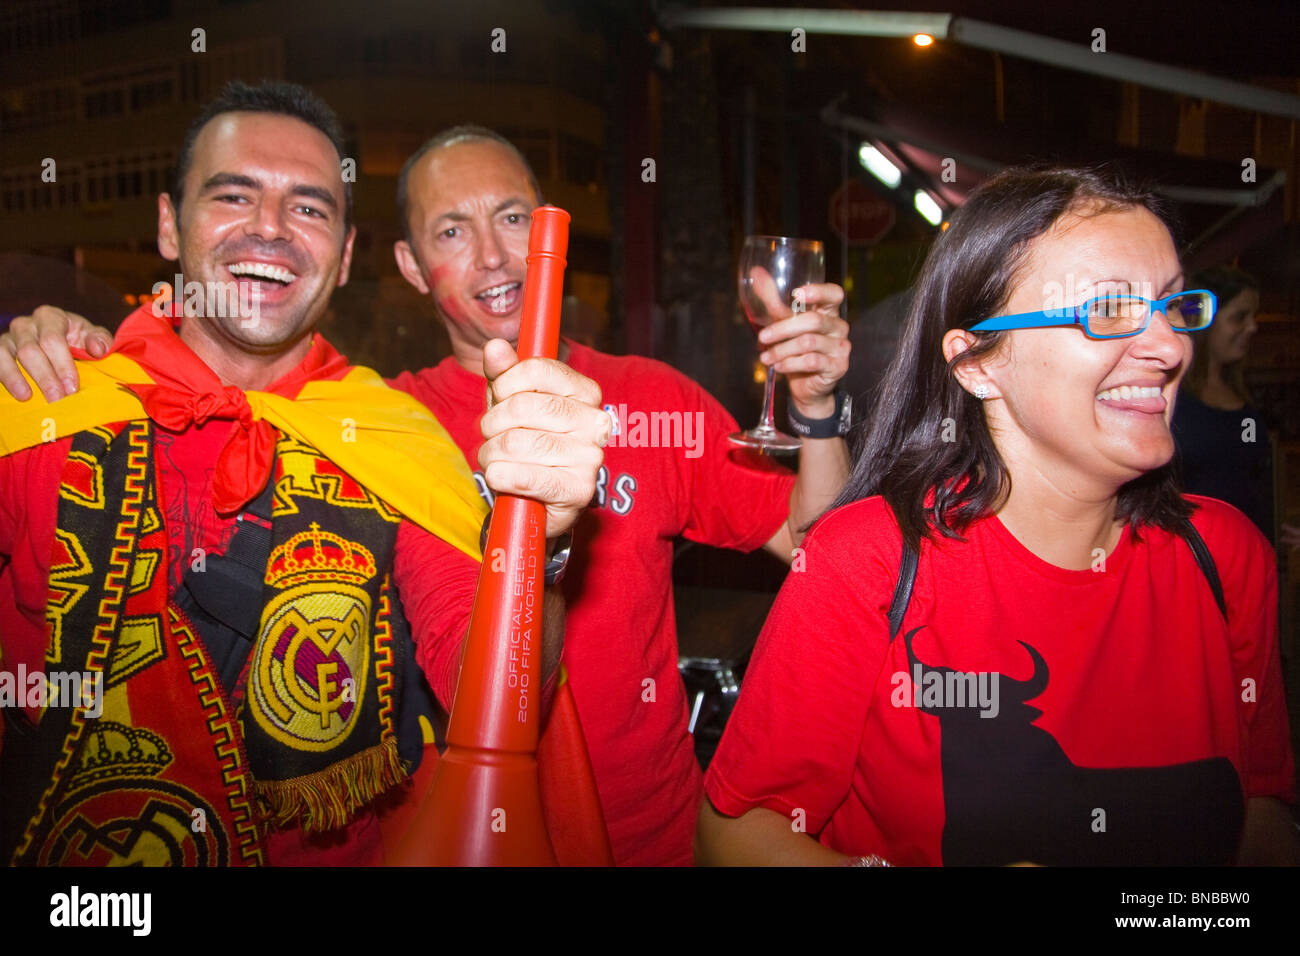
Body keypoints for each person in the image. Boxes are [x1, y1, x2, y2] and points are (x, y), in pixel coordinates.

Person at [2, 125, 853, 866]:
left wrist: (817, 415)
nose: (492, 256)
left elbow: (824, 554)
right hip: (453, 837)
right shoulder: (378, 426)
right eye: (453, 230)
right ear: (408, 265)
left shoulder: (650, 398)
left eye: (513, 219)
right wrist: (80, 351)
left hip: (646, 839)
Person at [0, 82, 609, 866]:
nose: (270, 229)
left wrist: (543, 539)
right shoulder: (41, 402)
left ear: (347, 255)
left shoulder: (392, 438)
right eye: (234, 194)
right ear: (167, 225)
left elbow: (499, 705)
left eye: (310, 208)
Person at [696, 165, 1299, 866]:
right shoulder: (871, 558)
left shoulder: (1226, 553)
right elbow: (735, 832)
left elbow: (1262, 808)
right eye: (1105, 309)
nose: (1168, 348)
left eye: (1173, 306)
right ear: (977, 364)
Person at [1170, 265, 1279, 541]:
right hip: (1192, 556)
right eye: (1240, 317)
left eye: (1252, 317)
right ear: (1204, 321)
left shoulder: (1245, 408)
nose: (1253, 327)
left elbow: (1254, 476)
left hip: (1248, 556)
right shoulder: (1170, 403)